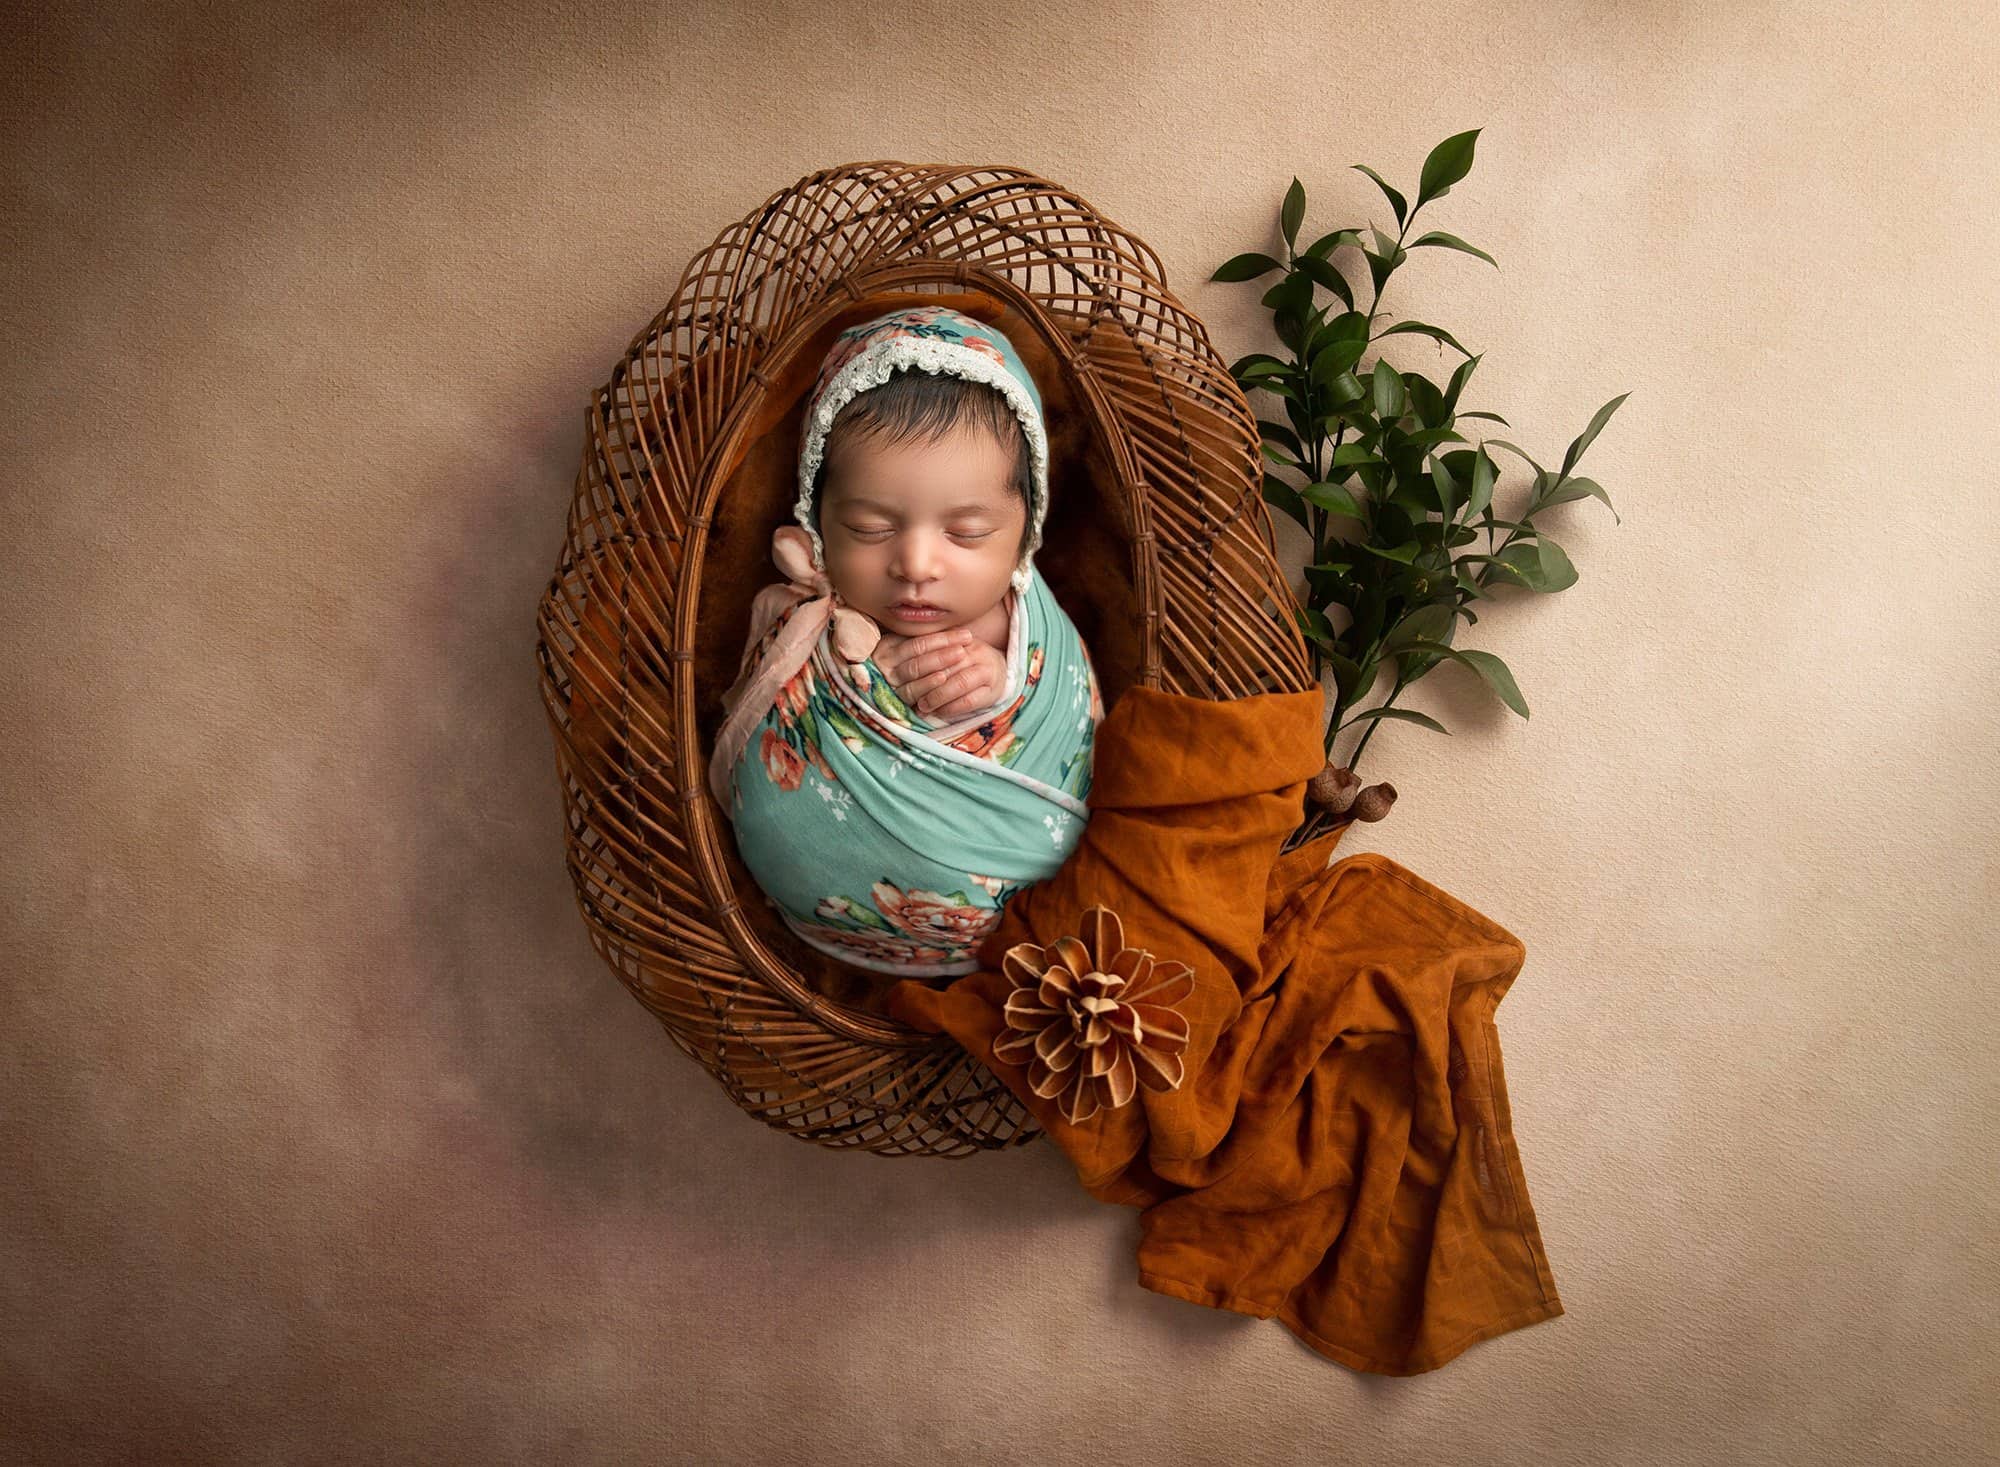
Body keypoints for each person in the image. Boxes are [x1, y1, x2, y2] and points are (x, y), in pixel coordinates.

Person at [707, 305, 1103, 978]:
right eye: (868, 526)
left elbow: (1071, 714)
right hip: (810, 922)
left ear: (1022, 533)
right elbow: (755, 702)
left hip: (1018, 915)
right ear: (817, 516)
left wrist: (996, 679)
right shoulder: (801, 610)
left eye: (968, 532)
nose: (917, 563)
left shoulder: (1021, 618)